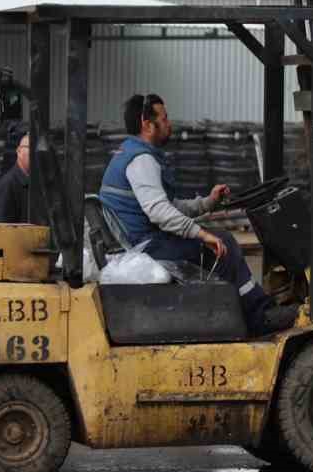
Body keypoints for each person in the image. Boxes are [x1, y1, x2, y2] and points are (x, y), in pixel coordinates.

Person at [98, 93, 298, 336]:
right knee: (224, 245)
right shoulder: (141, 160)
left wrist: (207, 203)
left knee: (220, 242)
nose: (169, 124)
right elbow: (160, 213)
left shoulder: (129, 153)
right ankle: (258, 316)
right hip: (148, 246)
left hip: (143, 241)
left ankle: (240, 312)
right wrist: (202, 234)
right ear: (147, 124)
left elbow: (168, 206)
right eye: (164, 118)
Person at [0, 124, 31, 223]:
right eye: (30, 147)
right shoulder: (7, 186)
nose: (34, 153)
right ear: (19, 151)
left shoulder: (34, 183)